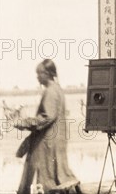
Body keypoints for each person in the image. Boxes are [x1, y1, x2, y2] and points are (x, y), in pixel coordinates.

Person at [14, 59, 79, 194]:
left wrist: (23, 123)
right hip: (56, 140)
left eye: (39, 73)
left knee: (46, 178)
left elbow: (47, 117)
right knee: (57, 175)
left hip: (47, 142)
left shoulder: (51, 91)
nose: (37, 77)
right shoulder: (57, 89)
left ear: (47, 73)